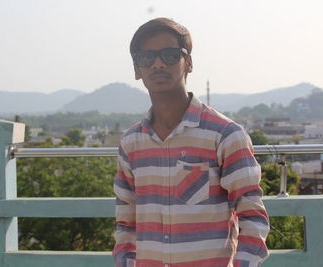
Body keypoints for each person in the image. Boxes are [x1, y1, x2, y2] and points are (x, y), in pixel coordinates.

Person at [113, 18, 269, 267]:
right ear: (136, 69)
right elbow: (126, 221)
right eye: (146, 58)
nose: (158, 64)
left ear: (189, 63)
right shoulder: (132, 143)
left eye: (170, 55)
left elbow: (252, 216)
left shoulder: (224, 135)